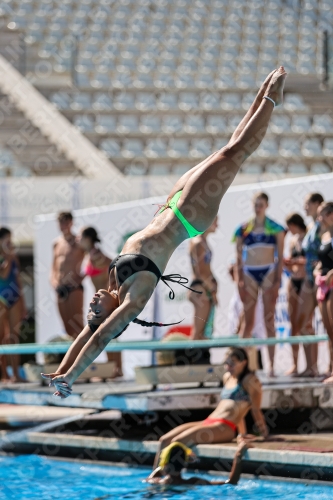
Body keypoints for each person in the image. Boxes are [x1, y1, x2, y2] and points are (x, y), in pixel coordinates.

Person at [41, 67, 287, 397]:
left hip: (170, 206)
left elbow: (86, 333)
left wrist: (61, 371)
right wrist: (71, 380)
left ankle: (263, 94)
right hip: (188, 217)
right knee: (234, 154)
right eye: (95, 311)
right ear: (111, 315)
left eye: (90, 310)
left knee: (224, 150)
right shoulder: (132, 300)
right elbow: (98, 337)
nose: (91, 307)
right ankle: (272, 97)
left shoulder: (113, 285)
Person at [152, 347, 268, 468]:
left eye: (232, 363)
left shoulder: (250, 380)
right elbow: (236, 410)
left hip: (224, 426)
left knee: (177, 442)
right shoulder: (228, 377)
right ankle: (154, 476)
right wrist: (241, 434)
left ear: (244, 362)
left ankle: (164, 475)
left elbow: (255, 409)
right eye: (226, 363)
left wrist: (265, 435)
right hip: (209, 421)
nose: (228, 367)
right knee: (164, 440)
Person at [233, 192, 285, 377]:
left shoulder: (276, 228)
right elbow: (238, 258)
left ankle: (271, 366)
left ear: (267, 205)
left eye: (261, 204)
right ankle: (243, 367)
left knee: (269, 320)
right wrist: (239, 279)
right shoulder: (244, 229)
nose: (258, 207)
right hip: (250, 273)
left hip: (268, 271)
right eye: (256, 204)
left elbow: (280, 257)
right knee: (248, 322)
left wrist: (278, 280)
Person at [79, 227, 122, 377]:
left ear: (88, 239)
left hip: (106, 301)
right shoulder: (90, 254)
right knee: (107, 335)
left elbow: (113, 263)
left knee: (108, 335)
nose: (78, 240)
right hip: (102, 302)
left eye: (81, 237)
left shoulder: (96, 254)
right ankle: (115, 369)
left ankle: (117, 369)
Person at [293, 193, 324, 377]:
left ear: (316, 204)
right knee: (303, 322)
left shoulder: (325, 226)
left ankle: (328, 368)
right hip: (308, 278)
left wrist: (320, 264)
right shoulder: (311, 226)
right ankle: (310, 366)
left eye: (307, 204)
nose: (304, 207)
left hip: (321, 279)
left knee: (329, 325)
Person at [146, 441, 250, 486]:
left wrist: (163, 466)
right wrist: (238, 454)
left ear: (165, 463)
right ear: (185, 464)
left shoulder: (155, 481)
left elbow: (151, 477)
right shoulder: (192, 482)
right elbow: (231, 482)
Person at [187, 216, 218, 364]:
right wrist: (211, 288)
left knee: (205, 332)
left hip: (204, 288)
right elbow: (200, 272)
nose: (217, 224)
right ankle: (193, 365)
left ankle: (202, 363)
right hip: (200, 288)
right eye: (215, 220)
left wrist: (214, 283)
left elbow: (207, 269)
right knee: (198, 331)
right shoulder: (198, 242)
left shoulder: (204, 242)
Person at [50, 212, 85, 339]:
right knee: (67, 327)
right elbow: (54, 267)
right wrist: (54, 282)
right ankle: (73, 357)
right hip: (60, 288)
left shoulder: (78, 242)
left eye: (66, 222)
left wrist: (79, 278)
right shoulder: (56, 243)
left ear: (71, 223)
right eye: (61, 222)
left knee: (78, 325)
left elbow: (90, 263)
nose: (63, 225)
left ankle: (85, 357)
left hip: (74, 288)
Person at [0, 227, 27, 383]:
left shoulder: (13, 257)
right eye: (7, 240)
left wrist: (22, 304)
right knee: (2, 338)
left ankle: (16, 374)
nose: (10, 242)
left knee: (13, 337)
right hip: (1, 298)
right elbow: (3, 274)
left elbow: (18, 281)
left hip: (15, 297)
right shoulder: (8, 257)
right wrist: (8, 257)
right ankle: (5, 374)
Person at [227, 263, 265, 371]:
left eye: (233, 271)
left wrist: (238, 330)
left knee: (252, 373)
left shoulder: (246, 289)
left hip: (248, 343)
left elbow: (246, 311)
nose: (231, 274)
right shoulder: (239, 290)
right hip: (243, 341)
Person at [283, 214, 307, 376]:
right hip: (293, 281)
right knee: (293, 325)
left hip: (306, 282)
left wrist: (297, 262)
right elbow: (292, 262)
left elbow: (310, 259)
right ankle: (295, 364)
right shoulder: (292, 241)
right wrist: (289, 263)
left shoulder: (308, 236)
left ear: (294, 224)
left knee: (306, 324)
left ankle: (311, 365)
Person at [314, 202, 333, 384]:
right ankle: (330, 367)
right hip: (324, 286)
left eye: (322, 215)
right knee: (329, 331)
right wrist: (318, 270)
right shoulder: (324, 235)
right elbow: (323, 259)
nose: (319, 219)